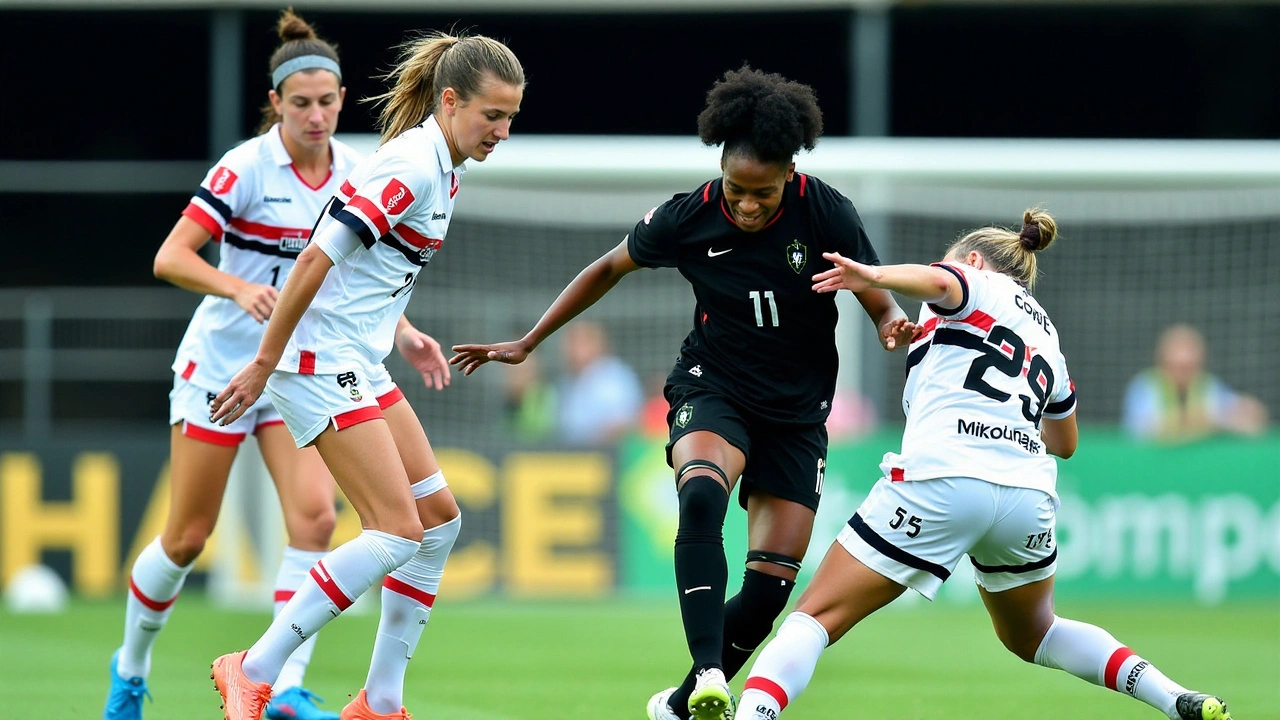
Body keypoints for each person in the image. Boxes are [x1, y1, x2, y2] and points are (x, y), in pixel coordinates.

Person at [450, 65, 915, 720]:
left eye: (762, 193)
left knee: (767, 592)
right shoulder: (688, 216)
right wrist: (530, 340)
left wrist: (887, 318)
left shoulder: (826, 210)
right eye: (735, 189)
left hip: (797, 412)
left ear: (790, 175)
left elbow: (865, 279)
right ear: (720, 170)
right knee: (699, 493)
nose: (747, 205)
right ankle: (707, 674)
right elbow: (608, 267)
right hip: (714, 384)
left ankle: (676, 705)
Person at [734, 210, 1233, 720]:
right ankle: (1174, 699)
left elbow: (940, 280)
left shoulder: (976, 281)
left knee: (812, 618)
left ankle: (752, 714)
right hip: (1026, 494)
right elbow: (1065, 441)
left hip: (944, 477)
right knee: (1036, 632)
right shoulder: (1048, 336)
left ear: (972, 261)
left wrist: (873, 276)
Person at [208, 29, 524, 720]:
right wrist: (264, 361)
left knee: (438, 522)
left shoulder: (446, 164)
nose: (501, 130)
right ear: (449, 100)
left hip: (357, 356)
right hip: (316, 359)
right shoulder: (410, 166)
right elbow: (316, 261)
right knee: (396, 531)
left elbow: (368, 274)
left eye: (510, 118)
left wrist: (403, 332)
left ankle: (380, 702)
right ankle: (252, 668)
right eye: (491, 115)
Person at [104, 11, 366, 720]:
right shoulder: (246, 167)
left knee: (315, 520)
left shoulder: (356, 175)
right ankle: (129, 669)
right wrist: (239, 285)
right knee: (188, 537)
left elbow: (349, 278)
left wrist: (403, 329)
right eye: (301, 103)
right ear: (276, 103)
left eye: (327, 101)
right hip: (222, 366)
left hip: (292, 370)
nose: (316, 115)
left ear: (343, 100)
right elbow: (171, 257)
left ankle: (282, 686)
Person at [1122, 323, 1268, 443]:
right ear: (1161, 361)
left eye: (1189, 366)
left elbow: (1252, 417)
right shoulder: (1145, 386)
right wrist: (1198, 421)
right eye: (1177, 366)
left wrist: (1230, 417)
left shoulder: (1209, 386)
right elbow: (1139, 428)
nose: (1184, 372)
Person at [556, 320, 644, 446]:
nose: (569, 349)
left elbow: (624, 423)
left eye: (577, 342)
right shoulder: (568, 382)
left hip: (609, 457)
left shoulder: (614, 378)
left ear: (597, 344)